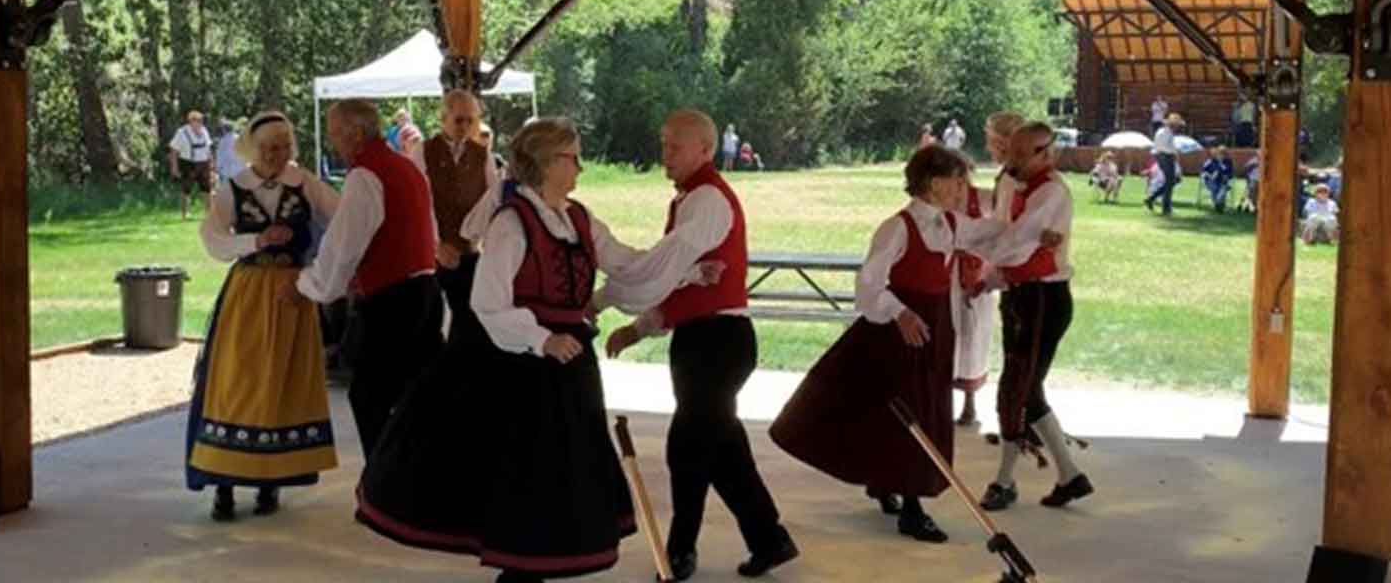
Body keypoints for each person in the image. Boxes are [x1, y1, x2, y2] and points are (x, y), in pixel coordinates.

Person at [358, 118, 713, 582]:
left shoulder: (579, 218)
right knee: (526, 479)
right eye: (573, 158)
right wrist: (541, 338)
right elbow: (487, 301)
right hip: (520, 370)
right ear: (546, 162)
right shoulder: (512, 222)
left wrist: (685, 265)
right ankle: (520, 572)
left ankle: (527, 572)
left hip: (569, 368)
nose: (580, 168)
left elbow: (629, 265)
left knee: (560, 482)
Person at [771, 145, 1015, 544]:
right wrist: (900, 313)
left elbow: (991, 234)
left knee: (919, 408)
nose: (962, 188)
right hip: (897, 330)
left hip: (934, 327)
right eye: (957, 181)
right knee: (908, 413)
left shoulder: (951, 223)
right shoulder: (897, 227)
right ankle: (912, 507)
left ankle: (887, 484)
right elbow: (869, 284)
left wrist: (1031, 226)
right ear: (934, 184)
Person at [601, 109, 799, 581]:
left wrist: (618, 308)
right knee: (721, 447)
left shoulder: (708, 200)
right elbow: (681, 279)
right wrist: (637, 320)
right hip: (706, 340)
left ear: (706, 151)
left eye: (675, 146)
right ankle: (769, 539)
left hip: (718, 341)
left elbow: (669, 272)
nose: (664, 153)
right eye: (664, 143)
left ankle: (680, 552)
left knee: (688, 448)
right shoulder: (694, 198)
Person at [187, 112, 342, 522]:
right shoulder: (234, 189)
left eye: (284, 147)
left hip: (292, 294)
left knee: (281, 381)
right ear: (253, 150)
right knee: (236, 380)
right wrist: (254, 239)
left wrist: (318, 269)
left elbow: (343, 222)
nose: (277, 155)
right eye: (270, 148)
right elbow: (212, 238)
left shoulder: (304, 182)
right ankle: (223, 483)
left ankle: (269, 480)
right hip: (250, 292)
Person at [286, 100, 444, 457]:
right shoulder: (405, 167)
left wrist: (306, 285)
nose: (332, 141)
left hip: (394, 301)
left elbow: (343, 247)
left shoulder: (366, 175)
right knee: (414, 396)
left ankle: (384, 487)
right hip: (425, 292)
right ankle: (417, 482)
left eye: (335, 132)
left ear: (356, 134)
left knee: (371, 397)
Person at [971, 122, 1092, 513]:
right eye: (1010, 152)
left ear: (1047, 152)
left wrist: (993, 267)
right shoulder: (1010, 181)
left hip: (1044, 296)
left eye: (1022, 155)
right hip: (1019, 294)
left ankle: (1005, 480)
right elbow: (1006, 233)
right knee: (1028, 390)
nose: (1013, 162)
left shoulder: (1052, 191)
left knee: (1015, 391)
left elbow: (1016, 242)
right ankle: (1070, 475)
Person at [954, 112, 1022, 424]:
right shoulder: (1007, 178)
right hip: (960, 274)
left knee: (973, 335)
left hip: (986, 271)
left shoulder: (1007, 182)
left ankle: (993, 411)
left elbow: (1003, 225)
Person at [421, 90, 499, 359]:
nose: (465, 127)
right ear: (444, 119)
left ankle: (460, 372)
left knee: (468, 316)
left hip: (468, 251)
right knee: (428, 319)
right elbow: (421, 204)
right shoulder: (424, 152)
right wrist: (436, 245)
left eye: (470, 120)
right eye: (459, 120)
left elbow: (493, 200)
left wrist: (478, 238)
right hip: (430, 253)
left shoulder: (483, 155)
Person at [169, 110, 216, 221]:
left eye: (201, 120)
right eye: (197, 120)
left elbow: (208, 148)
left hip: (203, 163)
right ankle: (184, 215)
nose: (199, 123)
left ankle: (209, 215)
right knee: (186, 190)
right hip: (188, 163)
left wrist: (212, 164)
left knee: (207, 190)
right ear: (190, 121)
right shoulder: (182, 132)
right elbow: (173, 150)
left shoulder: (204, 131)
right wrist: (174, 167)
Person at [1143, 114, 1184, 215]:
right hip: (1164, 156)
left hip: (1166, 156)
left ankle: (1151, 199)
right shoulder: (1163, 133)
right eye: (1176, 124)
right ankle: (1165, 208)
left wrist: (1173, 151)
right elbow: (1162, 147)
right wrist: (1174, 151)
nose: (1177, 127)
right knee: (1171, 181)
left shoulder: (1168, 132)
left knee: (1172, 181)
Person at [1201, 146, 1235, 214]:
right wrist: (1208, 175)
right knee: (1215, 188)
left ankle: (1217, 204)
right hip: (1211, 181)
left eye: (1223, 154)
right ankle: (1219, 205)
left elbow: (1230, 173)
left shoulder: (1228, 162)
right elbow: (1203, 171)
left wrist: (1220, 163)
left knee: (1222, 188)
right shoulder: (1210, 161)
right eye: (1220, 153)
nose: (1221, 155)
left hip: (1223, 181)